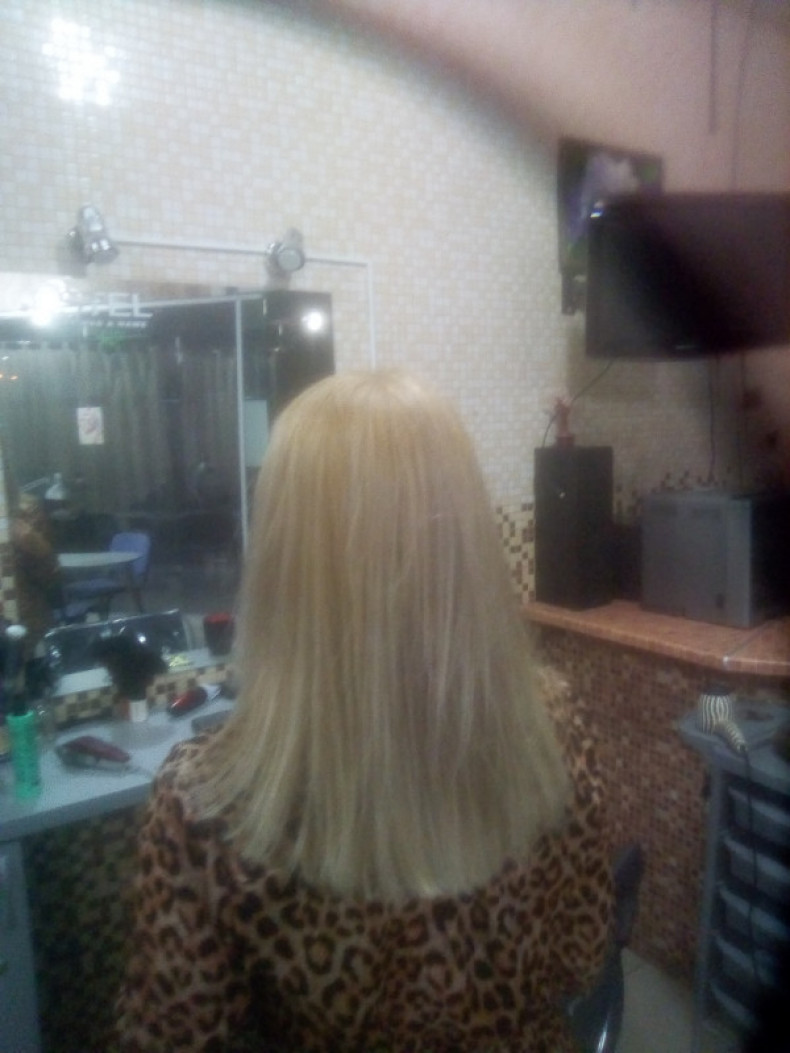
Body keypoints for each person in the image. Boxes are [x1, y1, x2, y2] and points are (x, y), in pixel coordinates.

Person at [116, 370, 613, 1052]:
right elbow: (581, 957)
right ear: (465, 546)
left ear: (283, 560)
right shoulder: (552, 725)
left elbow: (171, 1034)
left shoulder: (207, 802)